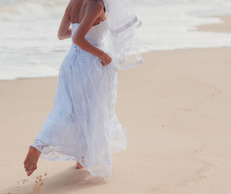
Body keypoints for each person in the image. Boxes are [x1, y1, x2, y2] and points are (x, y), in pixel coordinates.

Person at [24, 0, 142, 177]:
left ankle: (44, 147)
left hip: (70, 64)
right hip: (89, 65)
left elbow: (63, 34)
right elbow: (78, 39)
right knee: (93, 112)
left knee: (66, 110)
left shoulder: (73, 2)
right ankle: (83, 156)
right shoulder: (95, 5)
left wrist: (83, 32)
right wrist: (103, 54)